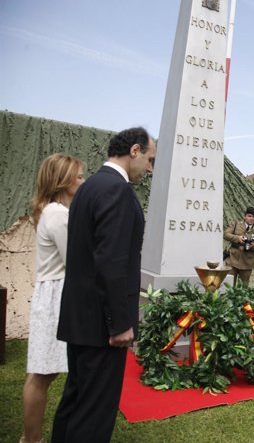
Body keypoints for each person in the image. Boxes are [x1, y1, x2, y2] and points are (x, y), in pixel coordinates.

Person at [52, 127, 156, 442]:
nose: (150, 169)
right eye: (150, 160)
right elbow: (110, 262)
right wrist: (120, 323)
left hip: (81, 318)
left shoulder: (88, 187)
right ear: (134, 150)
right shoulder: (118, 190)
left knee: (75, 401)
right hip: (102, 326)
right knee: (94, 413)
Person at [21, 154, 84, 443]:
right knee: (42, 374)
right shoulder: (58, 214)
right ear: (64, 181)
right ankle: (30, 439)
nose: (83, 181)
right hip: (56, 295)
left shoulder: (54, 211)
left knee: (46, 373)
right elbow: (75, 260)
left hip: (55, 292)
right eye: (79, 176)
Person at [223, 206, 254, 287]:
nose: (251, 218)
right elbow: (226, 234)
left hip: (247, 262)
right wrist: (237, 238)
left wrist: (253, 245)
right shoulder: (236, 224)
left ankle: (243, 300)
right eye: (249, 216)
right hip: (232, 260)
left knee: (245, 288)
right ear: (244, 216)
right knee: (229, 286)